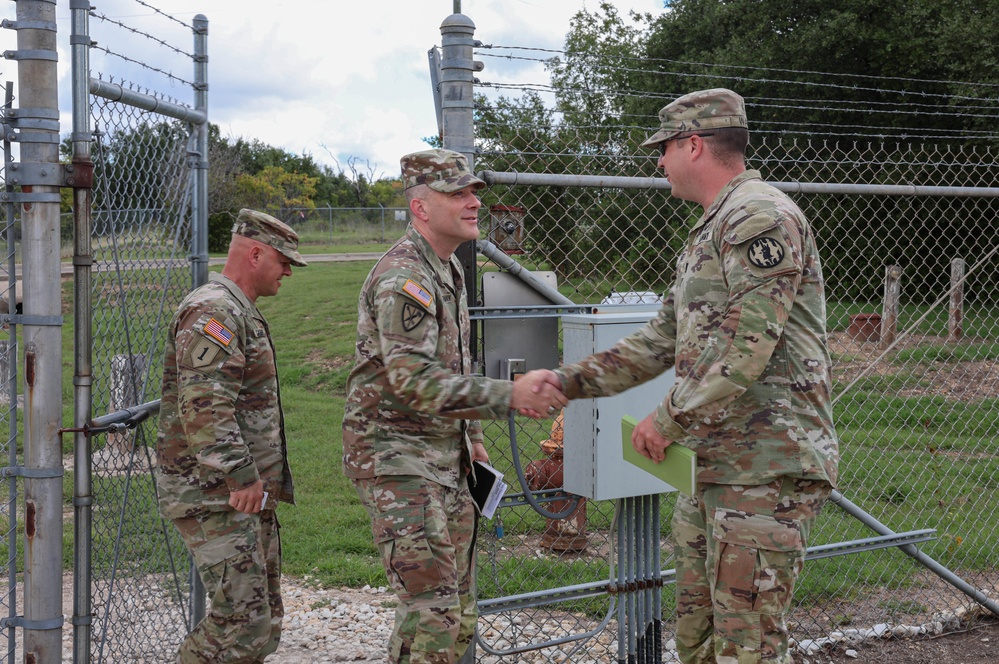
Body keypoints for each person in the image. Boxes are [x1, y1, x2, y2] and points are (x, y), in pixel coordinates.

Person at [528, 89, 839, 663]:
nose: (659, 161)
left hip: (764, 470)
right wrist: (567, 382)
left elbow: (749, 345)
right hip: (712, 467)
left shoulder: (759, 217)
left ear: (693, 144)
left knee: (747, 644)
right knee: (696, 638)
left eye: (665, 147)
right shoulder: (711, 228)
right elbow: (659, 340)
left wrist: (666, 419)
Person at [342, 148, 568, 664]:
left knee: (459, 610)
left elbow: (456, 362)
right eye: (458, 194)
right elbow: (414, 382)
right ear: (421, 207)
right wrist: (508, 395)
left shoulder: (446, 269)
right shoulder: (405, 279)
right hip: (397, 460)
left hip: (446, 456)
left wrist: (477, 441)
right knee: (433, 614)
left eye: (474, 193)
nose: (473, 203)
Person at [156, 208, 307, 663]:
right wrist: (242, 477)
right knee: (242, 623)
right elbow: (206, 406)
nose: (287, 271)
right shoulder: (214, 310)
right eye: (283, 261)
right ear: (255, 253)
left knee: (262, 621)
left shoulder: (239, 309)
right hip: (214, 492)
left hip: (242, 493)